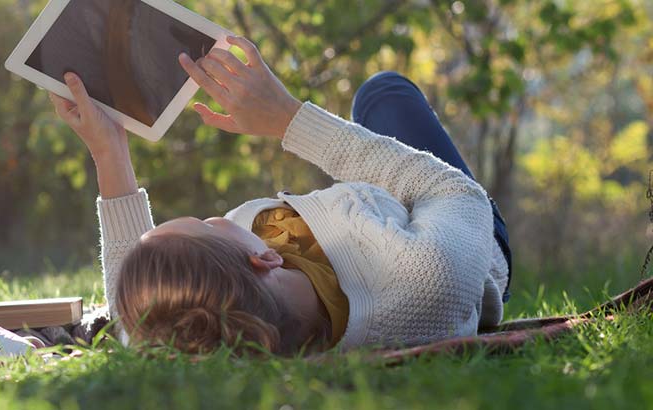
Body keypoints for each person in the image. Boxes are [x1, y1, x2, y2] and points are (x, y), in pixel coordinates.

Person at [49, 35, 512, 355]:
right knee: (382, 91)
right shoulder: (425, 274)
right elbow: (453, 191)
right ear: (263, 259)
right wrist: (289, 119)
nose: (215, 217)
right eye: (208, 223)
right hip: (458, 229)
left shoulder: (220, 324)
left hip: (381, 218)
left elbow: (134, 315)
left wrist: (108, 149)